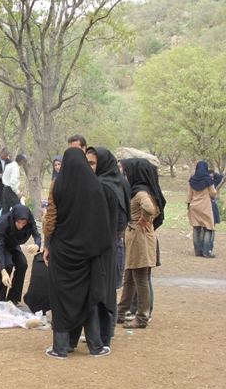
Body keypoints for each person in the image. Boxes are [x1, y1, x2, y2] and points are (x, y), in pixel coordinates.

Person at [43, 147, 113, 359]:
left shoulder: (58, 185)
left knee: (61, 299)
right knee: (88, 297)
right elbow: (102, 220)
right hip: (88, 252)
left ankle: (61, 348)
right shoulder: (94, 186)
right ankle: (96, 346)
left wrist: (47, 245)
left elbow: (50, 219)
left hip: (62, 252)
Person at [82, 147, 131, 348]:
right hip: (113, 243)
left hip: (102, 246)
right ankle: (106, 334)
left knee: (100, 291)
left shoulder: (102, 186)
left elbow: (118, 221)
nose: (89, 167)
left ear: (102, 163)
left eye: (92, 163)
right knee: (109, 289)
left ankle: (102, 336)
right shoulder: (120, 183)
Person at [116, 158, 164, 329]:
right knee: (129, 276)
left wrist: (143, 219)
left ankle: (142, 317)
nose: (124, 174)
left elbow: (150, 208)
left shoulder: (141, 192)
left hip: (140, 238)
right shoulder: (137, 190)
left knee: (140, 278)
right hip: (134, 237)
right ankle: (120, 312)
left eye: (126, 171)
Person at [0, 204, 41, 306]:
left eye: (24, 223)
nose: (21, 226)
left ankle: (13, 298)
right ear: (14, 219)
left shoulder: (30, 220)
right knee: (7, 265)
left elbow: (36, 233)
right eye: (18, 223)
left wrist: (37, 244)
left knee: (22, 264)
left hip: (12, 242)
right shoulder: (2, 224)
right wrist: (3, 271)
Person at [187, 161, 217, 258]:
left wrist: (189, 206)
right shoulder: (208, 179)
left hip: (194, 206)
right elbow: (212, 193)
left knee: (196, 228)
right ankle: (206, 252)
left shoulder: (192, 180)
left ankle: (198, 251)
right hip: (205, 206)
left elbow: (189, 195)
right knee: (209, 227)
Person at [209, 169, 222, 255]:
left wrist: (214, 174)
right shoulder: (208, 182)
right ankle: (208, 247)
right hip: (208, 204)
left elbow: (220, 176)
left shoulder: (213, 181)